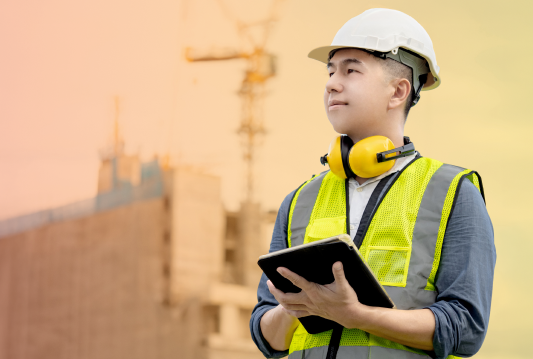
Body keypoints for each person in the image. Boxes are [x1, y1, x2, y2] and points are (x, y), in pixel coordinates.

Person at [249, 8, 496, 359]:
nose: (332, 82)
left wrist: (357, 316)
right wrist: (297, 306)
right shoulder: (298, 201)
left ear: (398, 91)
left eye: (351, 70)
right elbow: (266, 335)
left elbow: (465, 328)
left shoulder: (454, 194)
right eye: (331, 71)